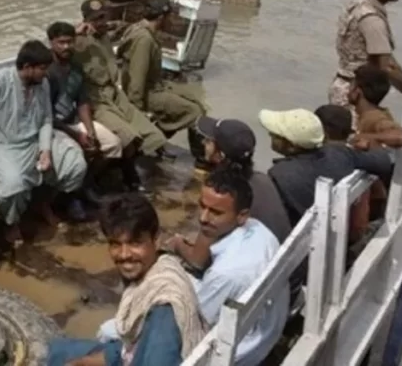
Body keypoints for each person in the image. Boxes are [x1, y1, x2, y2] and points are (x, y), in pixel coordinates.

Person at [47, 194, 206, 366]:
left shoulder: (163, 312)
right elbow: (130, 348)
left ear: (156, 240)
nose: (124, 255)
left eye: (135, 243)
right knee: (57, 351)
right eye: (115, 244)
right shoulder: (159, 269)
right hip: (132, 354)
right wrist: (86, 361)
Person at [0, 40, 86, 245]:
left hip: (33, 141)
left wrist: (45, 151)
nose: (46, 73)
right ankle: (11, 222)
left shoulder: (41, 84)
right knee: (13, 183)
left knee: (74, 163)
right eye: (42, 69)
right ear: (27, 67)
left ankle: (42, 204)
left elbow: (45, 120)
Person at [164, 171, 288, 366]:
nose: (203, 218)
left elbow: (192, 324)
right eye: (202, 206)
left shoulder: (227, 274)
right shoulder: (258, 229)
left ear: (242, 216)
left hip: (239, 353)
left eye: (216, 212)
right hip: (266, 330)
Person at [74, 0, 168, 191]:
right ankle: (123, 178)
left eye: (104, 17)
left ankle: (122, 170)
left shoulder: (105, 36)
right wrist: (75, 34)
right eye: (96, 19)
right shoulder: (78, 42)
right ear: (86, 20)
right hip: (96, 99)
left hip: (115, 94)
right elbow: (53, 48)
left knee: (152, 134)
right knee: (128, 137)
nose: (102, 22)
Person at [260, 108, 393, 226]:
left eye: (276, 135)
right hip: (344, 231)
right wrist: (366, 144)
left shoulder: (279, 174)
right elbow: (384, 162)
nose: (270, 134)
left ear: (291, 146)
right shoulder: (339, 153)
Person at [47, 21, 123, 218]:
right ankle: (69, 196)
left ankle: (85, 185)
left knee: (112, 144)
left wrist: (89, 130)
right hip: (51, 126)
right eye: (61, 42)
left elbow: (82, 102)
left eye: (70, 42)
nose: (66, 47)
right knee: (76, 153)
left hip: (71, 121)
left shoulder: (76, 67)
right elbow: (44, 115)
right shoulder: (47, 72)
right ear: (51, 43)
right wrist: (76, 134)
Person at [194, 116, 291, 243]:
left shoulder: (224, 192)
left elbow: (198, 259)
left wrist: (177, 244)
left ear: (220, 154)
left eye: (208, 141)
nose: (203, 143)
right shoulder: (262, 179)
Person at [117, 0, 204, 138]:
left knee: (196, 101)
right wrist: (137, 113)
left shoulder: (138, 29)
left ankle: (160, 135)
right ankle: (158, 136)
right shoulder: (144, 40)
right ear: (161, 17)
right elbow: (137, 80)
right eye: (170, 17)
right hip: (149, 93)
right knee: (195, 112)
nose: (172, 21)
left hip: (155, 86)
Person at [347, 65, 402, 242]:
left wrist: (366, 136)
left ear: (357, 91)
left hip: (375, 200)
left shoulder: (373, 117)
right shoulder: (370, 114)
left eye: (351, 85)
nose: (348, 89)